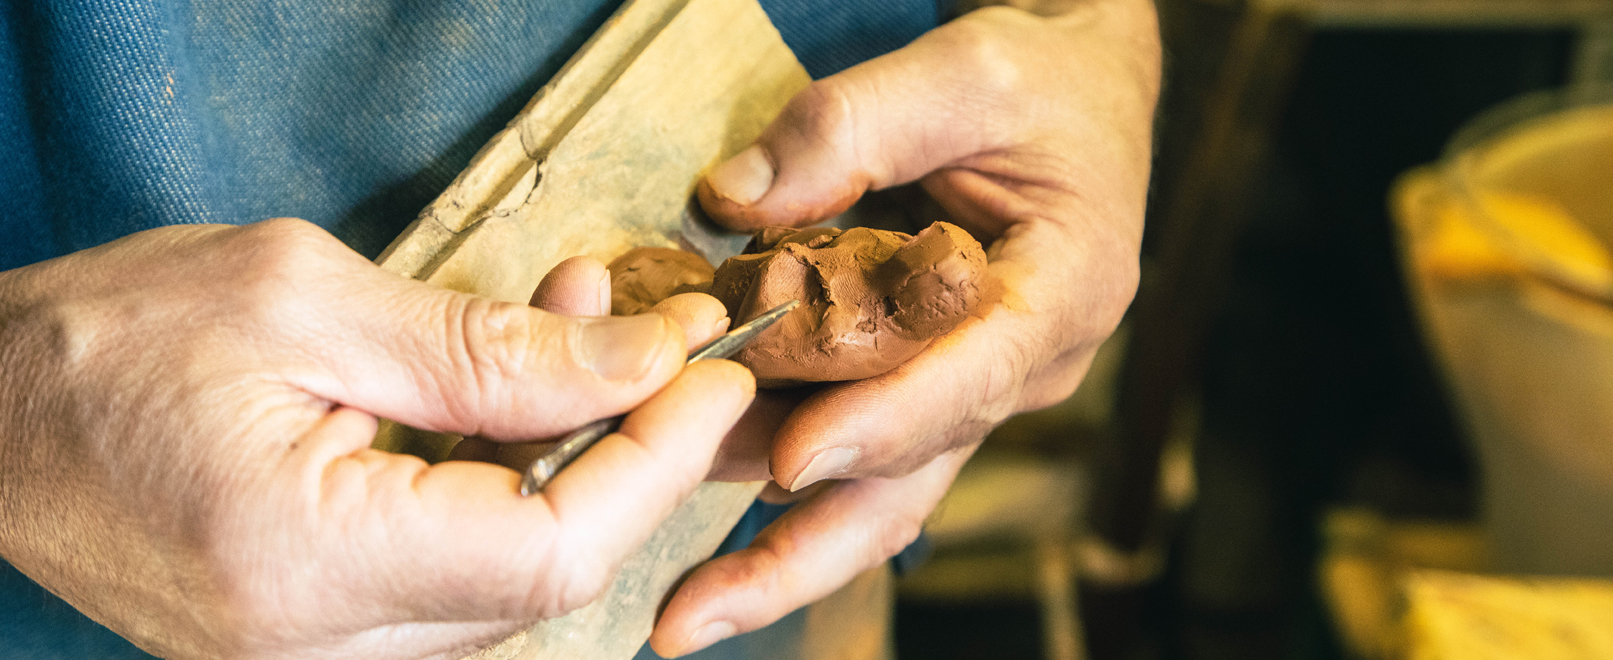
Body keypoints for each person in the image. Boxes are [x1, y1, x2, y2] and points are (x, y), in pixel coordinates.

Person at [0, 0, 1160, 657]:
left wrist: (1099, 47)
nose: (813, 276)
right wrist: (16, 404)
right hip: (110, 569)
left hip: (757, 557)